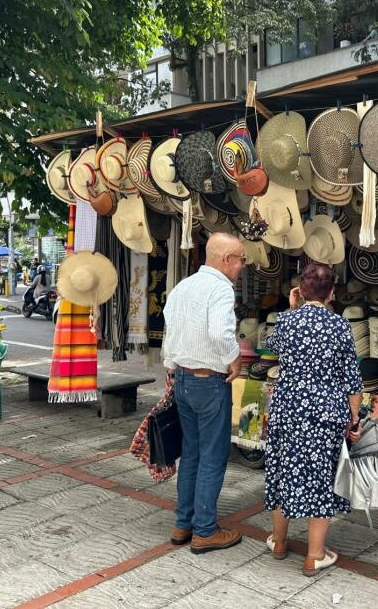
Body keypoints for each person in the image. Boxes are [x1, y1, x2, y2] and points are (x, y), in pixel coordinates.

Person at [262, 263, 362, 577]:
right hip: (325, 412)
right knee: (321, 479)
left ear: (301, 291)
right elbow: (352, 381)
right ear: (332, 292)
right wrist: (354, 417)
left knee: (283, 471)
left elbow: (272, 346)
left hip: (287, 410)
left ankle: (279, 541)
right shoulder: (340, 326)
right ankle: (314, 555)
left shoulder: (285, 321)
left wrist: (292, 308)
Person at [162, 232, 245, 553]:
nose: (242, 266)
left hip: (183, 378)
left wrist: (171, 365)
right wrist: (234, 359)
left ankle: (184, 524)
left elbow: (171, 332)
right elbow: (220, 332)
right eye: (240, 259)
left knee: (192, 454)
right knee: (212, 456)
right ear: (226, 260)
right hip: (210, 382)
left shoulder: (183, 287)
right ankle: (205, 531)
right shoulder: (221, 288)